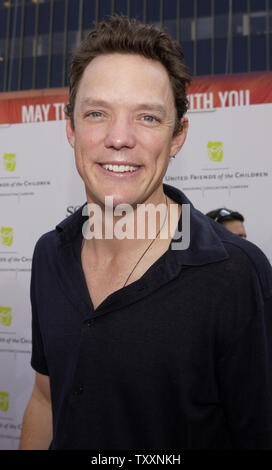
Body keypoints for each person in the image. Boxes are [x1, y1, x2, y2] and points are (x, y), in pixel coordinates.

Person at [19, 15, 272, 450]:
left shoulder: (236, 275)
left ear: (177, 136)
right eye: (97, 113)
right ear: (71, 128)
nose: (119, 138)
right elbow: (44, 399)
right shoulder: (49, 255)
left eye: (148, 118)